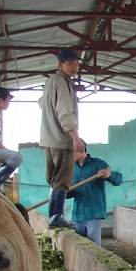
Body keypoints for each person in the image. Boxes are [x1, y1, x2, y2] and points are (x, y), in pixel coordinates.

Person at [39, 47, 85, 228]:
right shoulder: (63, 83)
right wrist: (75, 137)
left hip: (47, 138)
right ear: (60, 64)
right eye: (70, 63)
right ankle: (56, 217)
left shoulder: (50, 82)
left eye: (76, 63)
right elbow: (65, 112)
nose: (74, 67)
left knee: (54, 178)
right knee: (62, 179)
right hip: (61, 139)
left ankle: (54, 216)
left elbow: (42, 103)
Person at [65, 139, 122, 245]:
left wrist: (109, 175)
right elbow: (71, 193)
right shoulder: (71, 169)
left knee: (94, 248)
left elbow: (118, 180)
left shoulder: (98, 164)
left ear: (81, 149)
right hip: (77, 215)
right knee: (79, 246)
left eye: (70, 151)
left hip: (93, 213)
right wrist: (63, 192)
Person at [0, 87, 23, 190]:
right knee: (16, 157)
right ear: (0, 100)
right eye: (8, 100)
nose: (9, 103)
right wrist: (5, 153)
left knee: (12, 157)